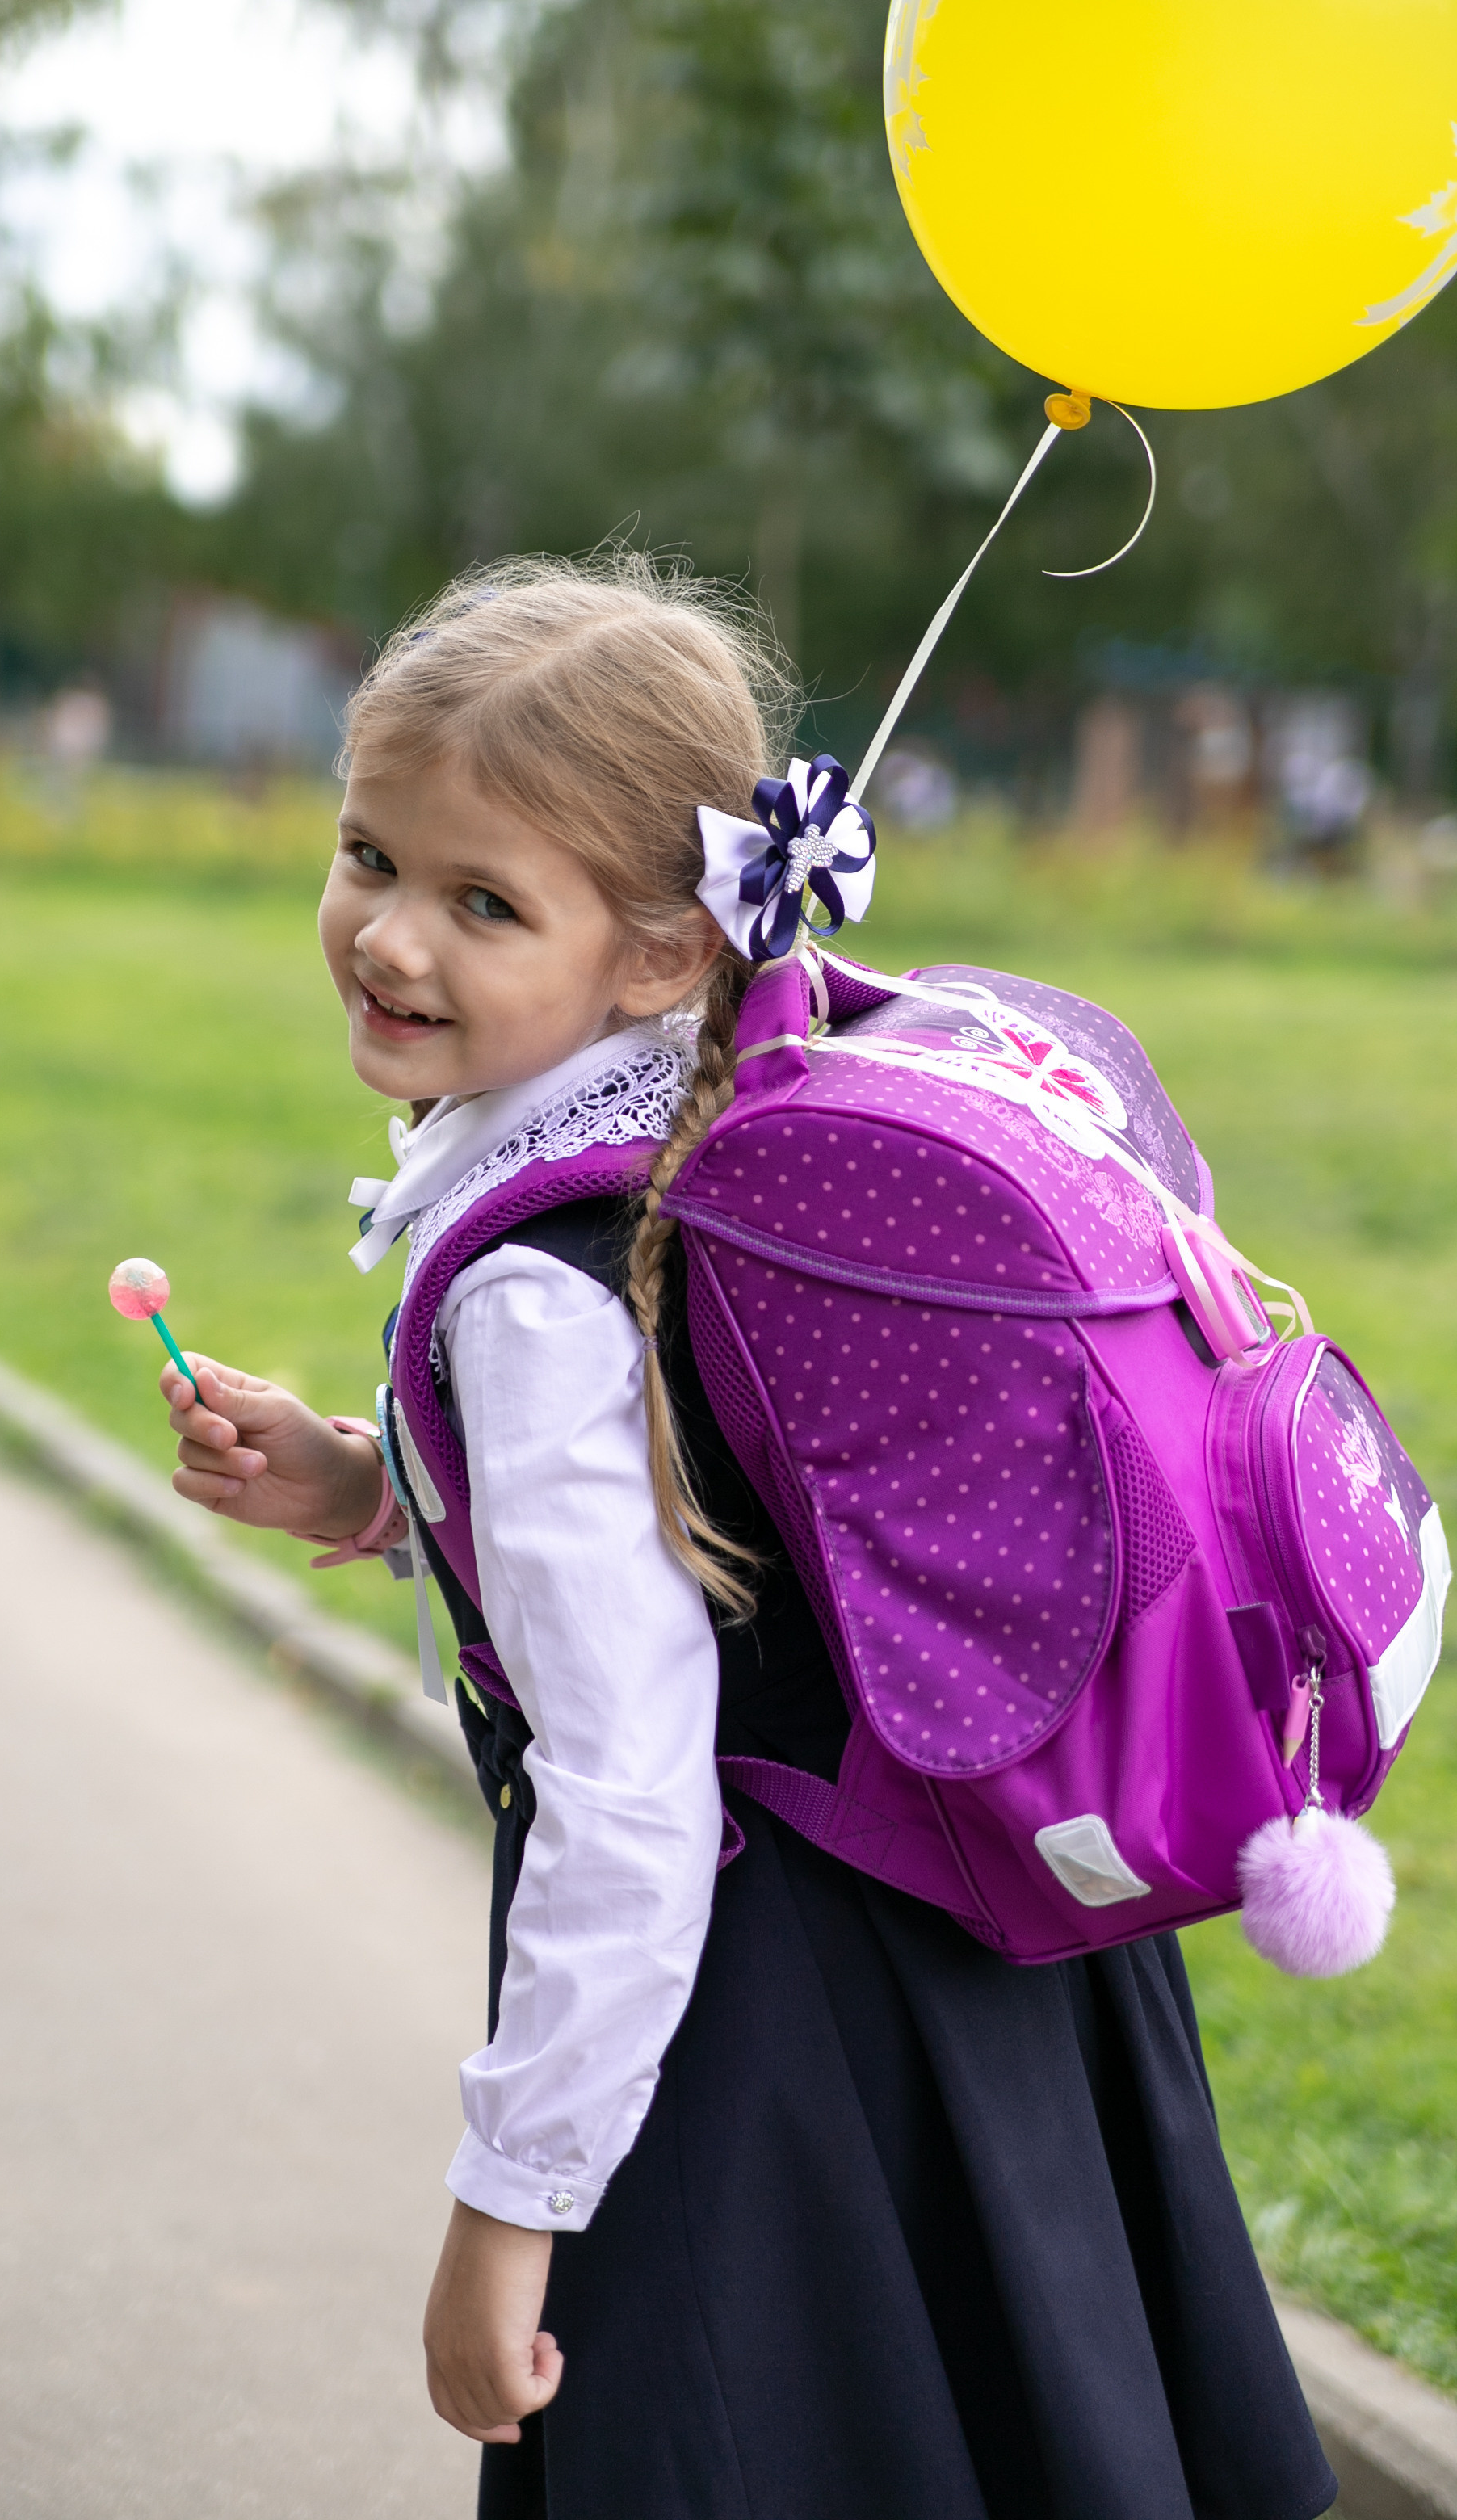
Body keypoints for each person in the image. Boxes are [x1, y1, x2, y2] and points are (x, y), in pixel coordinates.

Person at [157, 554, 1337, 2520]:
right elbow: (729, 1517)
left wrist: (510, 2204)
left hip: (754, 2035)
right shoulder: (744, 1115)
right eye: (368, 853)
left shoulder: (533, 1281)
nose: (386, 935)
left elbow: (628, 1794)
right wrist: (376, 1490)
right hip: (978, 1964)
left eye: (481, 902)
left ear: (650, 953)